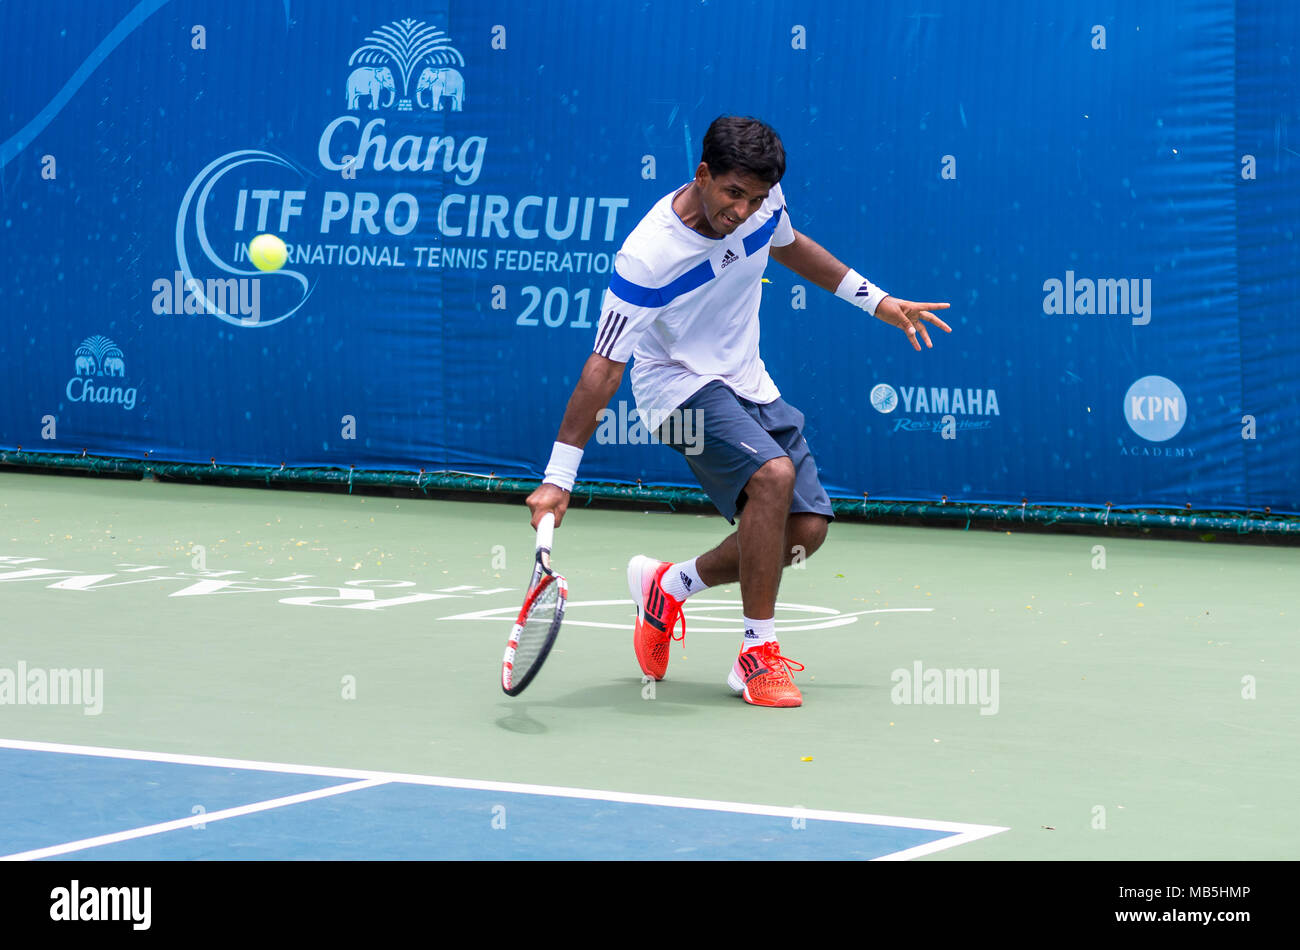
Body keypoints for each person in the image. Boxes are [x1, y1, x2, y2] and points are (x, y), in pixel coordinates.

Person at [525, 115, 951, 707]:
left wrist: (875, 301)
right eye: (732, 194)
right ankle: (757, 654)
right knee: (771, 476)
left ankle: (668, 584)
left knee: (805, 531)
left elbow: (790, 245)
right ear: (702, 175)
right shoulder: (648, 259)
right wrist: (558, 478)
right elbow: (603, 369)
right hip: (674, 394)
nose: (743, 210)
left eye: (755, 198)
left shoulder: (763, 200)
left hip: (747, 379)